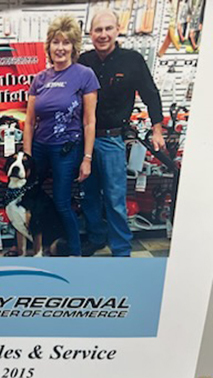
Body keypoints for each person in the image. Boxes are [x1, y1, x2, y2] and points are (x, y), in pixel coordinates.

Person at [78, 9, 165, 257]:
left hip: (112, 140)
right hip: (84, 141)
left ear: (118, 30)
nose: (103, 34)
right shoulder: (83, 61)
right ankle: (96, 237)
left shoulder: (132, 60)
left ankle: (121, 249)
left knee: (115, 198)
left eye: (108, 29)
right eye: (98, 30)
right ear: (90, 33)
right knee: (88, 194)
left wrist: (157, 129)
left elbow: (151, 94)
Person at [22, 15, 99, 257]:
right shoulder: (40, 79)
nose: (60, 48)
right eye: (56, 42)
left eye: (66, 43)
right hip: (40, 147)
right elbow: (29, 121)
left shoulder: (85, 75)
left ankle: (75, 253)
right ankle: (36, 247)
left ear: (74, 47)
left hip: (66, 149)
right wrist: (27, 157)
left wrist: (87, 158)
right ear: (49, 46)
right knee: (29, 197)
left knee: (62, 202)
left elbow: (89, 121)